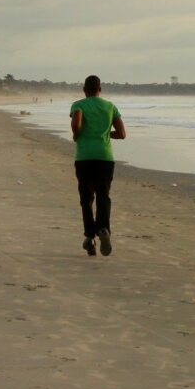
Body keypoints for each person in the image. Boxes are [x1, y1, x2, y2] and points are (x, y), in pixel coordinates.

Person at [70, 75, 125, 256]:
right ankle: (103, 229)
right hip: (105, 157)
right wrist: (106, 136)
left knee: (86, 199)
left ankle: (89, 236)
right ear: (100, 89)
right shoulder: (110, 106)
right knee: (103, 196)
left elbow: (77, 121)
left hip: (85, 157)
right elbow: (122, 133)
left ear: (85, 90)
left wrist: (77, 135)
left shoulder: (79, 104)